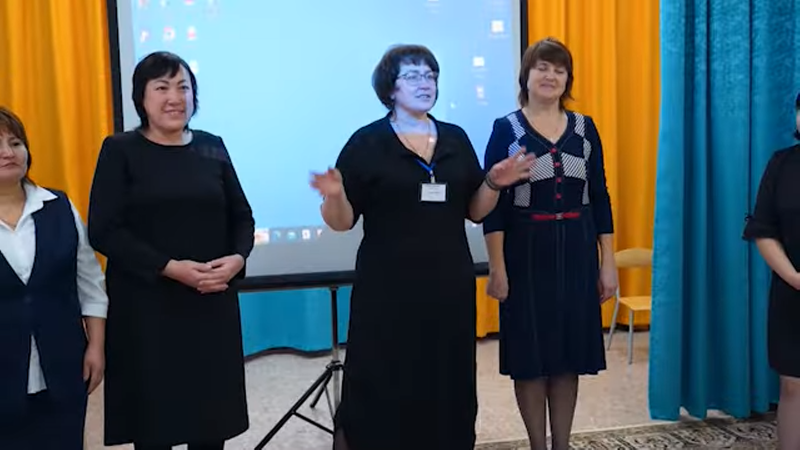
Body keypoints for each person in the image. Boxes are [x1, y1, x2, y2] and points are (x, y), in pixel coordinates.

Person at [309, 44, 535, 450]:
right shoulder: (367, 142)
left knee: (446, 377)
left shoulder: (455, 139)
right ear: (390, 88)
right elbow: (341, 222)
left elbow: (474, 210)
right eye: (412, 75)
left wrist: (493, 183)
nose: (425, 83)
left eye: (430, 76)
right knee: (382, 376)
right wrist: (336, 194)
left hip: (448, 287)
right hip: (386, 291)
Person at [87, 51, 255, 450]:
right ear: (141, 98)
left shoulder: (212, 146)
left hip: (210, 302)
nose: (175, 98)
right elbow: (104, 230)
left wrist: (237, 258)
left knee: (210, 421)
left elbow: (242, 216)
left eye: (183, 87)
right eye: (161, 88)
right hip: (148, 307)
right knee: (155, 423)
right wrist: (169, 267)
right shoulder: (120, 149)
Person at [482, 37, 617, 450]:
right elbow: (494, 207)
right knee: (529, 359)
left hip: (577, 250)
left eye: (559, 70)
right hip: (525, 253)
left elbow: (600, 197)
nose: (550, 76)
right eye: (542, 67)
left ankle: (562, 444)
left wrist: (607, 262)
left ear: (567, 80)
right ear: (526, 75)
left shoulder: (585, 128)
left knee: (567, 357)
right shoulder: (506, 129)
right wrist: (497, 267)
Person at [0, 106, 107, 450]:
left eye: (15, 143)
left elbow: (91, 284)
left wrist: (96, 346)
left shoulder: (59, 206)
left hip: (63, 368)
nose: (7, 152)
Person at [743, 91, 800, 449]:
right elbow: (763, 229)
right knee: (792, 384)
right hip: (791, 290)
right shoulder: (781, 164)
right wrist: (793, 277)